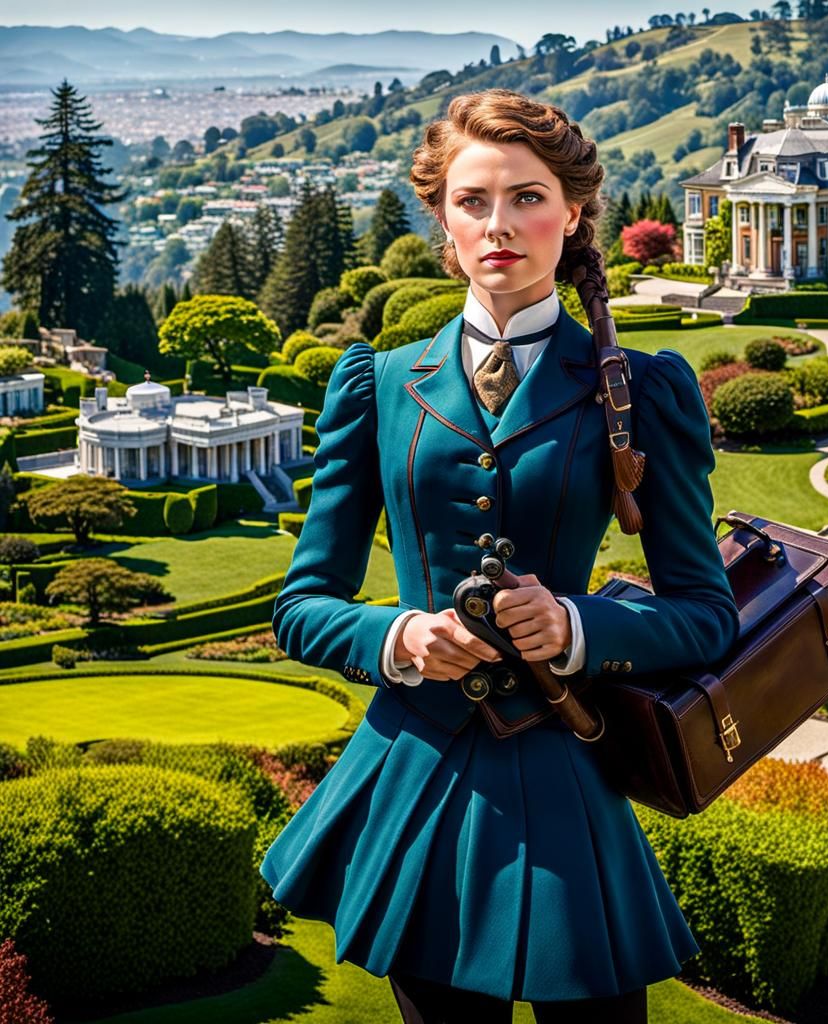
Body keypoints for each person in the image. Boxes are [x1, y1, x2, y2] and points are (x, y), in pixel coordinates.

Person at [259, 88, 740, 1024]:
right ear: (442, 219)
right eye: (473, 201)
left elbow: (704, 611)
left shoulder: (642, 390)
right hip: (417, 773)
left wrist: (575, 626)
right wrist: (399, 635)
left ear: (572, 214)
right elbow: (302, 604)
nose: (499, 225)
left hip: (564, 769)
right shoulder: (379, 382)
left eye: (526, 198)